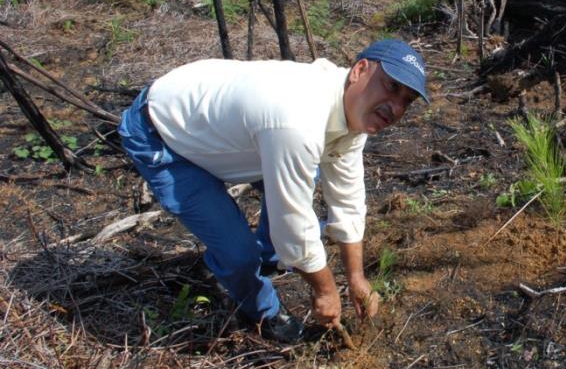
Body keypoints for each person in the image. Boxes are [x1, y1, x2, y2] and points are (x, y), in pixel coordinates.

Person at [117, 39, 430, 343]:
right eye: (391, 87)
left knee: (304, 170)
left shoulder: (352, 112)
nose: (397, 107)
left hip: (221, 130)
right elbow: (293, 221)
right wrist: (324, 291)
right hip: (163, 134)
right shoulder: (297, 118)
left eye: (408, 100)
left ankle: (270, 257)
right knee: (238, 253)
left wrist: (356, 278)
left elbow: (347, 198)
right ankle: (261, 313)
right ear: (359, 70)